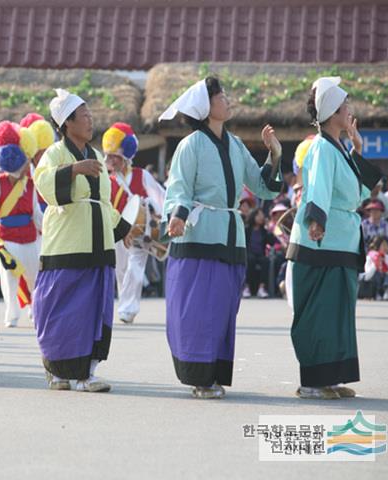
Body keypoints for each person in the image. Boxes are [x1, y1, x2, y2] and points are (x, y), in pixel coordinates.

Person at [159, 76, 283, 399]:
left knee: (223, 308)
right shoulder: (190, 146)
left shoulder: (236, 144)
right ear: (205, 107)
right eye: (221, 96)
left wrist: (275, 155)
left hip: (231, 237)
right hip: (198, 236)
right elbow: (178, 190)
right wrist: (177, 216)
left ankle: (211, 373)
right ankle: (199, 377)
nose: (227, 100)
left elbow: (261, 185)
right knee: (199, 308)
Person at [286, 77, 382, 399]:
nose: (349, 110)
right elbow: (319, 188)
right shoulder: (321, 148)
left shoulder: (338, 148)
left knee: (338, 311)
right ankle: (312, 382)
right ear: (332, 113)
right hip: (322, 239)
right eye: (345, 106)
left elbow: (361, 191)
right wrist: (316, 220)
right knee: (319, 311)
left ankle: (330, 378)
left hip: (339, 239)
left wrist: (358, 150)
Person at [33, 88, 131, 392]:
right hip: (67, 244)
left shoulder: (97, 155)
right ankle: (58, 371)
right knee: (61, 306)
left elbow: (102, 201)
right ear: (66, 124)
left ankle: (87, 373)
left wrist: (124, 228)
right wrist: (74, 169)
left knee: (94, 308)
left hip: (98, 246)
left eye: (90, 114)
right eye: (84, 115)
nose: (91, 120)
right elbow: (44, 184)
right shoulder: (55, 154)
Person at [103, 122, 165, 323]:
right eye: (109, 156)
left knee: (135, 269)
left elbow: (160, 197)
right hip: (118, 230)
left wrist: (155, 211)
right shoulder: (107, 180)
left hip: (140, 231)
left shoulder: (141, 175)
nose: (110, 160)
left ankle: (127, 309)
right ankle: (125, 303)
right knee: (121, 270)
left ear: (125, 156)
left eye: (114, 157)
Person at [0, 121, 42, 328]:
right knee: (9, 280)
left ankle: (35, 310)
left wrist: (48, 228)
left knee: (34, 278)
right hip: (7, 239)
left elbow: (37, 213)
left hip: (30, 238)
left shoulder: (31, 185)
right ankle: (11, 316)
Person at [243, 208, 274, 298]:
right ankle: (246, 287)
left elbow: (271, 242)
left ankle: (262, 288)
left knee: (265, 261)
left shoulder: (263, 231)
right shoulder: (247, 229)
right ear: (253, 216)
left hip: (260, 254)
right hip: (249, 253)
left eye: (262, 216)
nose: (261, 218)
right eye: (259, 215)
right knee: (250, 260)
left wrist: (268, 229)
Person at [359, 236, 388, 300]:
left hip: (385, 284)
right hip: (373, 285)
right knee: (376, 274)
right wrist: (375, 265)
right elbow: (367, 275)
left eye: (387, 245)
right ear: (377, 246)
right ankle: (377, 293)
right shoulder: (370, 257)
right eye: (383, 245)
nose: (386, 247)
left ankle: (386, 292)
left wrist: (384, 268)